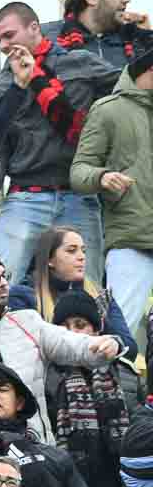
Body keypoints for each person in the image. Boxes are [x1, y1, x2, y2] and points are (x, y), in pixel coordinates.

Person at [0, 1, 115, 285]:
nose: (4, 45)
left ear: (34, 28)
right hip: (25, 195)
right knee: (1, 282)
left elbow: (129, 90)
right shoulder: (0, 88)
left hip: (79, 194)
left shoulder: (80, 62)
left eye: (9, 35)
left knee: (88, 290)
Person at [71, 46, 153, 334]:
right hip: (131, 239)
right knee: (118, 335)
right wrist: (103, 177)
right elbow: (79, 171)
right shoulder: (109, 110)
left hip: (132, 238)